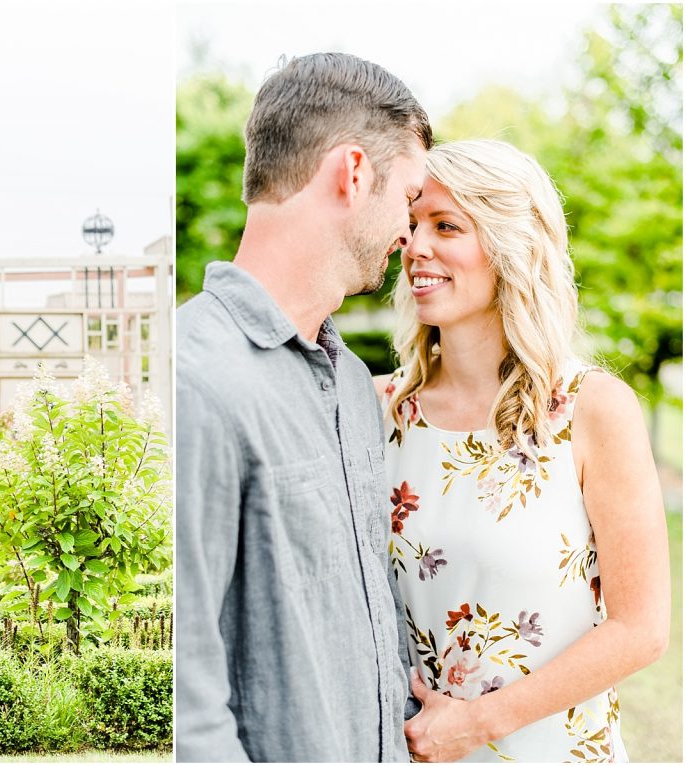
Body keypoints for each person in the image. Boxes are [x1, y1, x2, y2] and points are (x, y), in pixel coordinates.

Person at [376, 139, 670, 762]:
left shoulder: (591, 410)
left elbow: (641, 629)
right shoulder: (381, 411)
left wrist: (477, 723)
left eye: (446, 225)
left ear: (511, 248)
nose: (415, 248)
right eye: (411, 225)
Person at [176, 52, 432, 762]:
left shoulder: (352, 383)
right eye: (408, 198)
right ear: (353, 173)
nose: (409, 233)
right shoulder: (195, 377)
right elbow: (185, 682)